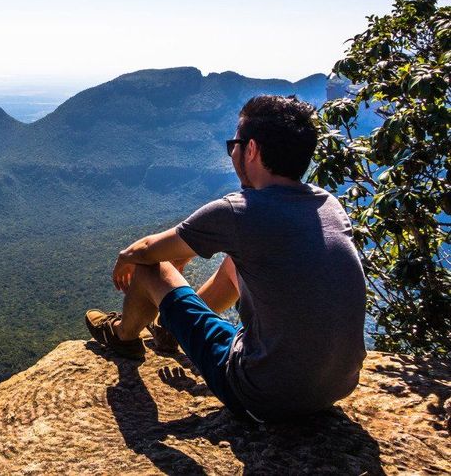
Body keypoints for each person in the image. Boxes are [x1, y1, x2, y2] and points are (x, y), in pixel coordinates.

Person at [85, 95, 366, 422]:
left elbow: (146, 251)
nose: (231, 152)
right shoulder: (328, 204)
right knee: (237, 261)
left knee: (151, 269)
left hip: (260, 395)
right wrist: (192, 247)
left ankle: (123, 337)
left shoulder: (239, 212)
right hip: (336, 386)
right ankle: (171, 332)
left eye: (234, 144)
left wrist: (124, 257)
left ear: (251, 150)